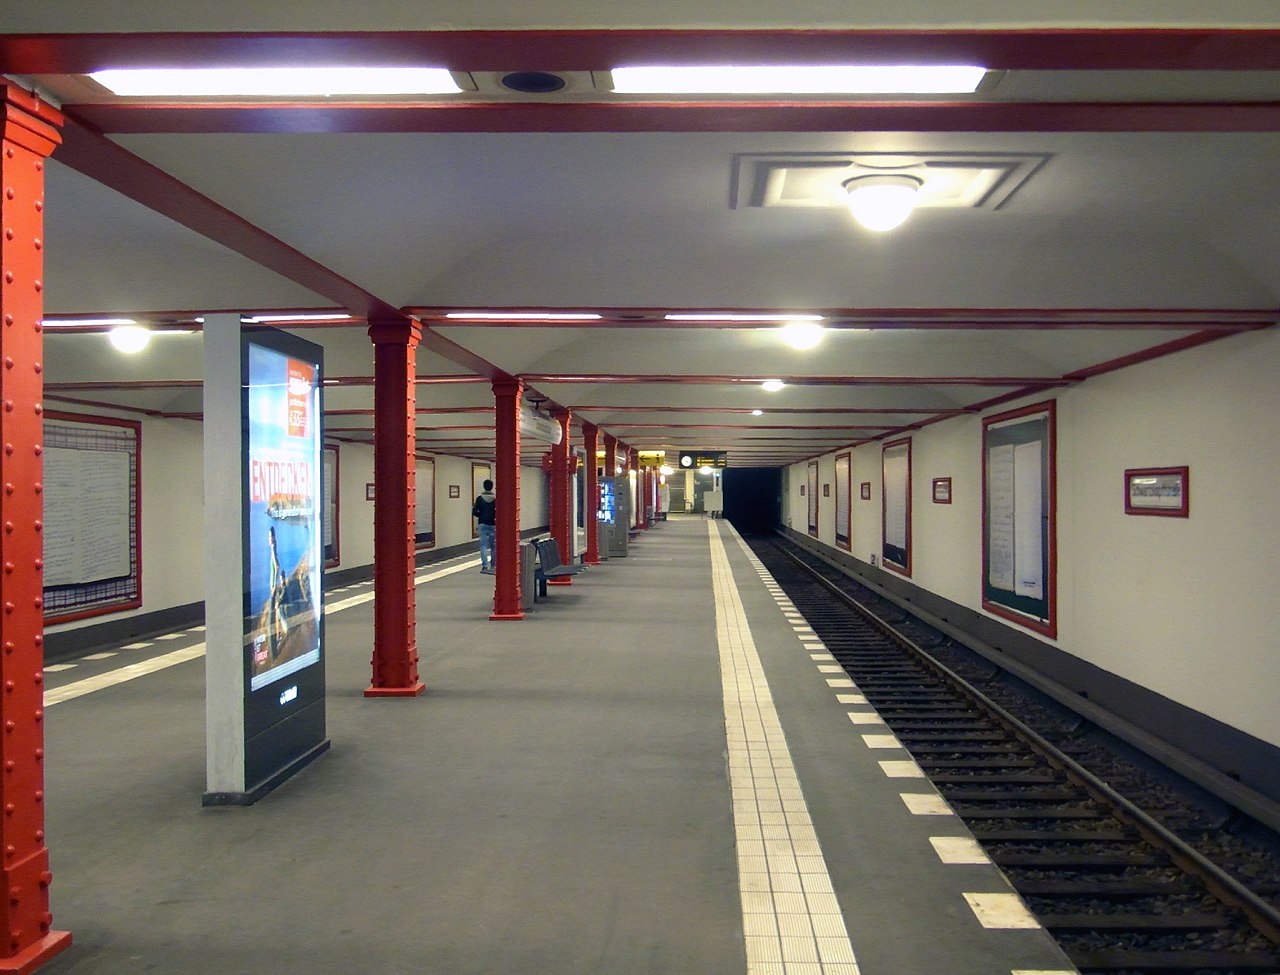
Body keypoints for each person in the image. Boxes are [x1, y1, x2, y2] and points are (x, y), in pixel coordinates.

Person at [472, 479, 497, 574]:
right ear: (492, 487)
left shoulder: (479, 498)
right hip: (493, 524)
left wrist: (481, 515)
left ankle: (485, 566)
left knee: (483, 545)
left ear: (484, 486)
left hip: (482, 523)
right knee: (493, 546)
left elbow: (474, 512)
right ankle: (493, 564)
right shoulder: (495, 499)